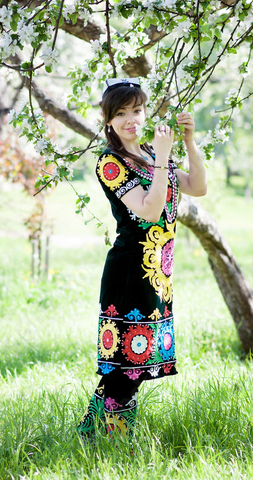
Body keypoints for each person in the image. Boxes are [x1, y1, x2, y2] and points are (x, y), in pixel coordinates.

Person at [77, 77, 207, 441]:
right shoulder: (111, 163)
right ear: (108, 121)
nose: (131, 119)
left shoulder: (151, 152)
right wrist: (163, 158)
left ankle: (90, 432)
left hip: (158, 274)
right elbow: (149, 210)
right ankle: (115, 439)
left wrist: (188, 142)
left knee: (133, 362)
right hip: (130, 271)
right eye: (121, 113)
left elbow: (198, 187)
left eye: (136, 110)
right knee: (127, 363)